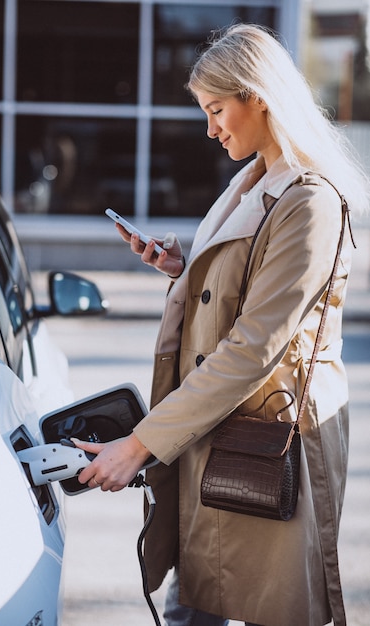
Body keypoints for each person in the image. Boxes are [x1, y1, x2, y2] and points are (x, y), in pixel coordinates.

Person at [72, 23, 370, 626]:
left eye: (216, 110)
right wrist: (185, 270)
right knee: (199, 597)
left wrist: (139, 446)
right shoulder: (254, 182)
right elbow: (244, 301)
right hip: (219, 436)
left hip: (267, 444)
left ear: (258, 98)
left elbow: (253, 347)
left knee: (268, 604)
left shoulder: (308, 202)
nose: (210, 129)